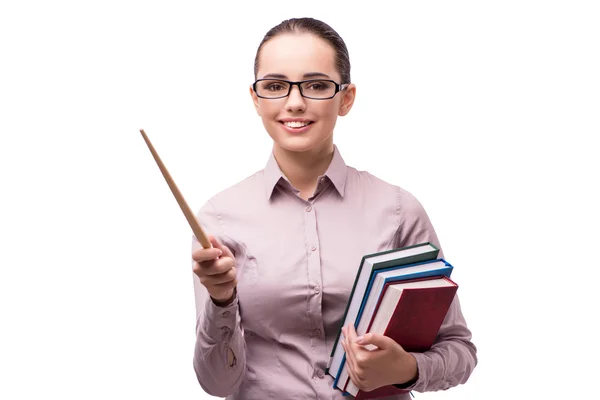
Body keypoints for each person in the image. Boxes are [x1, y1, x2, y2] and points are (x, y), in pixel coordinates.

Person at [191, 17, 477, 400]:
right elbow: (216, 383)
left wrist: (407, 369)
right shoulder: (219, 218)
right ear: (256, 98)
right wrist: (221, 300)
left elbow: (458, 350)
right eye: (275, 86)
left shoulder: (397, 211)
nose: (294, 102)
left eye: (316, 86)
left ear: (346, 98)